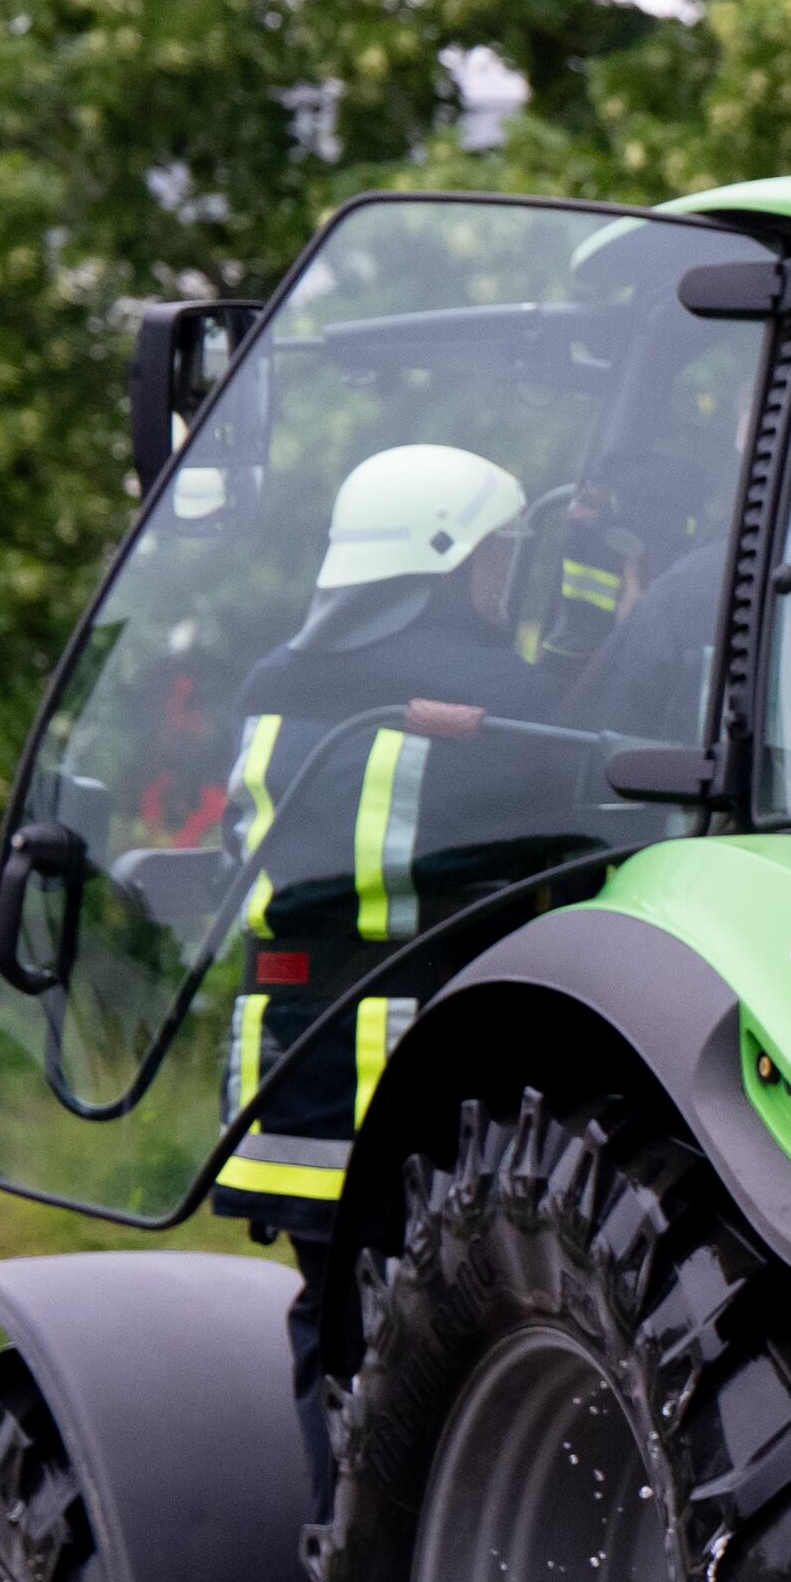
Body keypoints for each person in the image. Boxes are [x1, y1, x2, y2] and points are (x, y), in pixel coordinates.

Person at [207, 442, 559, 1223]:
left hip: (281, 1050)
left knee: (325, 1312)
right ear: (452, 558)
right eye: (499, 555)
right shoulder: (500, 696)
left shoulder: (270, 685)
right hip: (416, 1072)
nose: (505, 576)